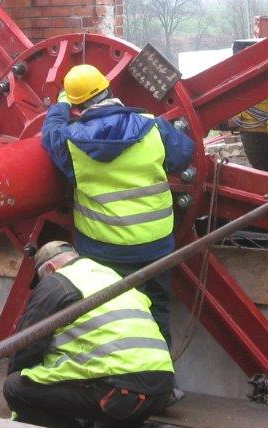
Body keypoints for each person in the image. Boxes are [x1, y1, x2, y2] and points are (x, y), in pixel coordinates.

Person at [41, 64, 195, 348]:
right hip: (156, 245)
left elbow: (50, 133)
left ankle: (119, 381)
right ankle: (163, 381)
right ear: (109, 90)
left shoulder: (71, 142)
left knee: (112, 316)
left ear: (77, 106)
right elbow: (184, 155)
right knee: (157, 309)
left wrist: (60, 107)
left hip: (105, 249)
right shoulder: (154, 127)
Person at [3, 240, 181, 428]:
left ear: (50, 268)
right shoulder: (110, 276)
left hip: (118, 389)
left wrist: (18, 400)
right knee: (102, 410)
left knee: (15, 388)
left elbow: (26, 346)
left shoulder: (57, 282)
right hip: (160, 389)